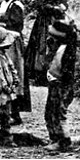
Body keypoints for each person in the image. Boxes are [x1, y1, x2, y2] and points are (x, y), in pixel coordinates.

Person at [25, 0, 70, 85]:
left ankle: (54, 73)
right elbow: (41, 6)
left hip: (57, 20)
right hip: (45, 22)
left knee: (56, 46)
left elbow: (64, 2)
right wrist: (55, 8)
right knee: (43, 46)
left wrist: (63, 7)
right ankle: (41, 75)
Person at [0, 0, 30, 123]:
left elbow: (17, 25)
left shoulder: (16, 5)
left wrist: (0, 20)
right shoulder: (3, 4)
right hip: (3, 40)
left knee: (13, 73)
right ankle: (6, 112)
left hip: (12, 42)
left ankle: (15, 113)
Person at [43, 18, 76, 152]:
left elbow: (67, 72)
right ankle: (55, 138)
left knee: (58, 113)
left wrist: (59, 81)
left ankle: (63, 141)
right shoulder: (60, 47)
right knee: (50, 112)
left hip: (61, 85)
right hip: (55, 83)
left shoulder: (69, 50)